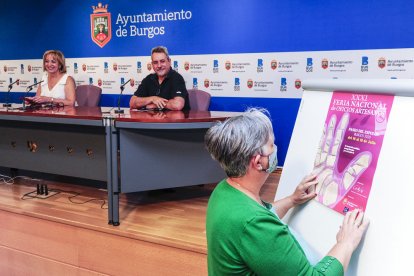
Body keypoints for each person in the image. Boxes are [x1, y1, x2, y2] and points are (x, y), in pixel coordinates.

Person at [204, 108, 369, 276]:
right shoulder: (254, 224)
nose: (275, 148)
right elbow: (257, 224)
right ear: (258, 161)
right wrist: (346, 242)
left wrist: (292, 200)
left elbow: (263, 214)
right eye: (271, 145)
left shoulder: (224, 191)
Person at [129, 46, 190, 110]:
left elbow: (177, 105)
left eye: (162, 61)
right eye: (155, 62)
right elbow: (132, 103)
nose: (159, 65)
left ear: (169, 61)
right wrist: (152, 99)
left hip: (173, 119)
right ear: (152, 64)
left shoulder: (177, 78)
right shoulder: (148, 79)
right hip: (151, 119)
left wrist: (155, 105)